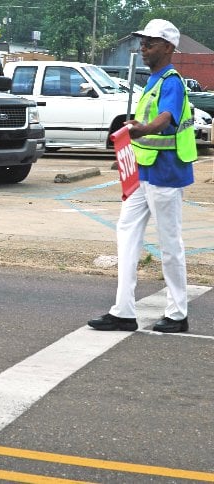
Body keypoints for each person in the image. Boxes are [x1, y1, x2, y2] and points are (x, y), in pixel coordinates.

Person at [88, 19, 196, 333]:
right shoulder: (152, 80)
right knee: (126, 235)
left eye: (150, 42)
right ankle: (123, 311)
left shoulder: (171, 81)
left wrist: (143, 128)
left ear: (168, 48)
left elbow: (165, 119)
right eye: (143, 42)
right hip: (143, 174)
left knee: (170, 245)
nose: (143, 47)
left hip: (166, 175)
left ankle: (178, 314)